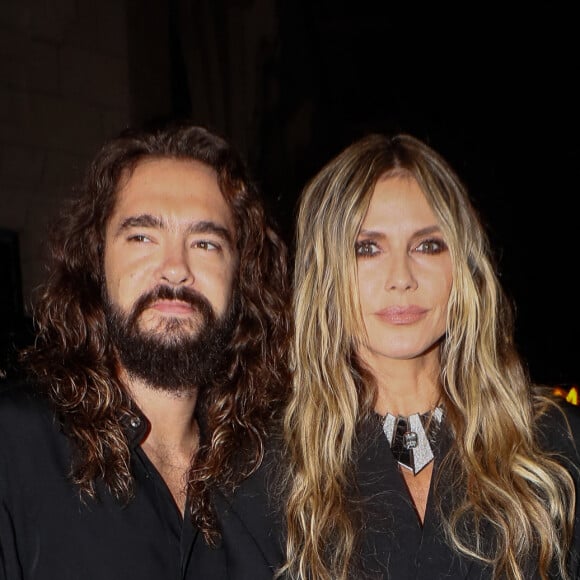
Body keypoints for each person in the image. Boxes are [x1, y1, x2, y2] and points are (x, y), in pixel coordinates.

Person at [207, 132, 580, 580]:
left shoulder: (555, 443)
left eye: (427, 245)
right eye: (368, 248)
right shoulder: (261, 473)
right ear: (326, 274)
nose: (401, 277)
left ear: (463, 267)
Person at [0, 120, 290, 579]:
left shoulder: (271, 475)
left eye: (205, 243)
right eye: (142, 237)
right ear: (96, 261)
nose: (175, 269)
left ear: (242, 277)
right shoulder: (14, 446)